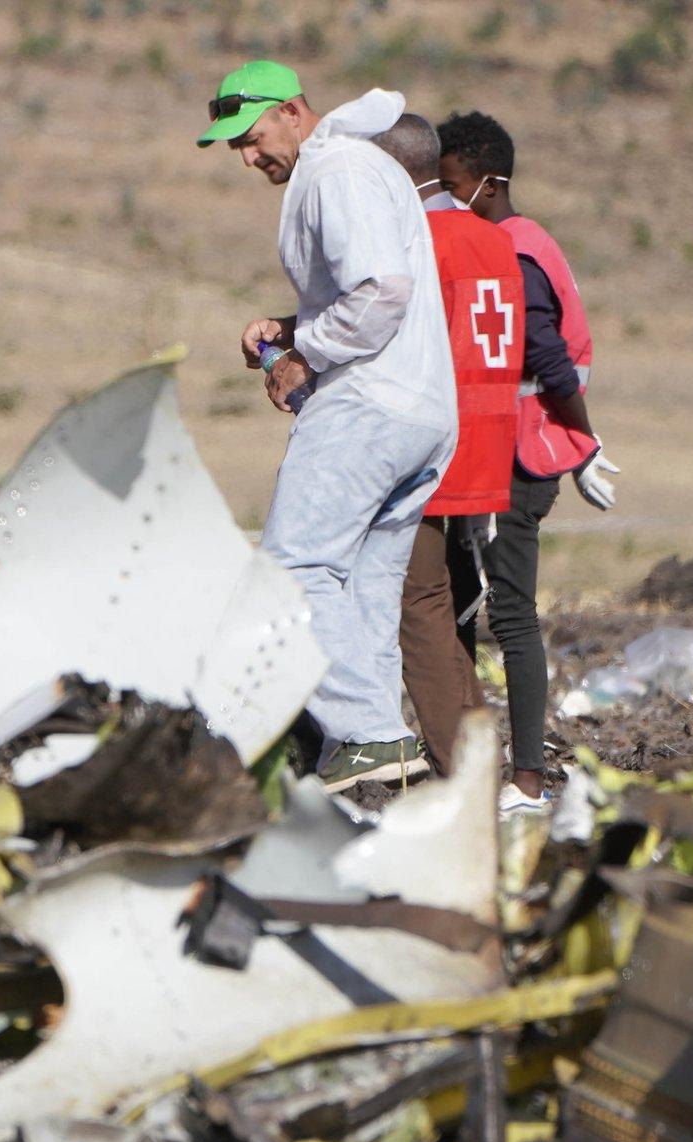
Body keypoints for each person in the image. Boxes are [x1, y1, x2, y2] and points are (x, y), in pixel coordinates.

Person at [201, 61, 457, 790]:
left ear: (291, 111)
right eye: (235, 150)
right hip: (422, 409)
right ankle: (372, 755)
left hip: (369, 408)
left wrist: (303, 355)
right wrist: (291, 326)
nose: (249, 159)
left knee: (292, 572)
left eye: (250, 139)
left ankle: (370, 735)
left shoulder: (336, 168)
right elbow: (372, 289)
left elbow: (381, 293)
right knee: (363, 585)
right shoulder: (362, 166)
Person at [438, 110, 620, 810]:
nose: (449, 201)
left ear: (491, 182)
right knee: (459, 601)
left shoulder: (513, 253)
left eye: (454, 186)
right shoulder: (515, 243)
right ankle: (473, 761)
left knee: (511, 614)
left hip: (526, 453)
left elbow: (545, 358)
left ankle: (526, 781)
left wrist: (585, 443)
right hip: (505, 449)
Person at [372, 113, 523, 779]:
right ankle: (478, 753)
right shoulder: (493, 239)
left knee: (417, 602)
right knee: (444, 597)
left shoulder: (417, 240)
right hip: (490, 439)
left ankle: (461, 770)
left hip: (436, 443)